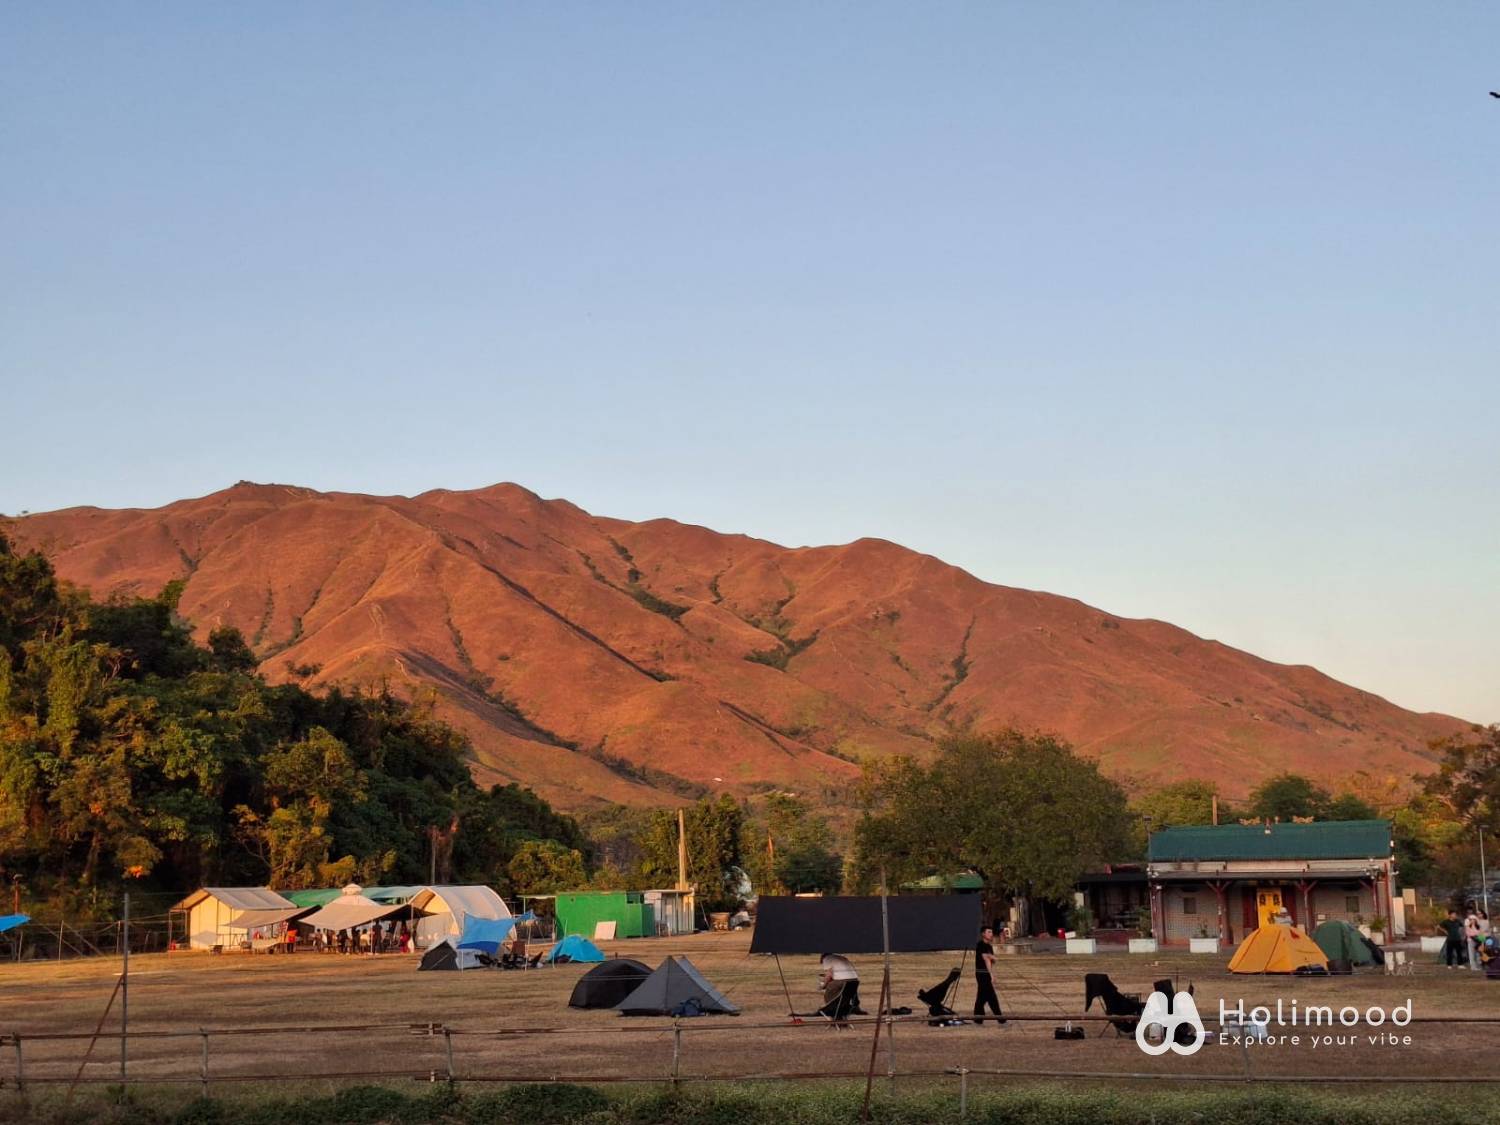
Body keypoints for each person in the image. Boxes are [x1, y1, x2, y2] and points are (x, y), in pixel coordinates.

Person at [973, 926, 1005, 1025]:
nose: (991, 934)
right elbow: (986, 958)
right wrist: (991, 975)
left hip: (987, 973)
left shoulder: (989, 947)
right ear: (983, 934)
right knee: (991, 996)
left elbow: (991, 961)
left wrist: (992, 959)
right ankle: (1000, 1019)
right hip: (982, 973)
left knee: (982, 997)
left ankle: (978, 1018)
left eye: (991, 932)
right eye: (989, 932)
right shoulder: (980, 945)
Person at [818, 953, 861, 1025]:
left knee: (829, 993)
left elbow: (829, 975)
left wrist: (823, 985)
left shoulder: (827, 958)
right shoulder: (840, 957)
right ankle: (842, 1015)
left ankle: (833, 1015)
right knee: (843, 997)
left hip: (843, 980)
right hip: (854, 980)